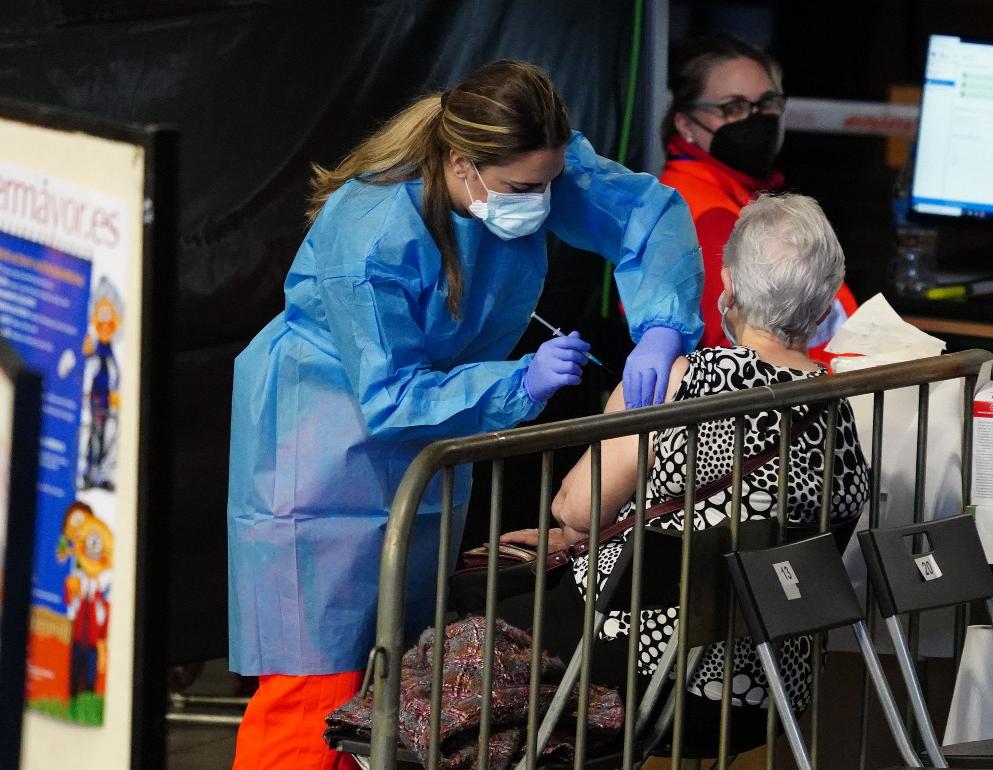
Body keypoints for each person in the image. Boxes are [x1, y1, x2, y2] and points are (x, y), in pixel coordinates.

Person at [227, 60, 703, 769]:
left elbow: (643, 213)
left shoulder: (529, 168)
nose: (540, 203)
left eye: (549, 183)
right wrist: (519, 383)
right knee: (316, 680)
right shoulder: (370, 235)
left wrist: (663, 324)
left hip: (435, 438)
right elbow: (388, 397)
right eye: (523, 190)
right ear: (461, 163)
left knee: (402, 680)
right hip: (318, 443)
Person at [502, 193, 870, 753]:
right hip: (769, 695)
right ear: (824, 312)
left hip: (641, 678)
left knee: (469, 630)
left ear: (726, 287)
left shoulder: (679, 384)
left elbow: (574, 508)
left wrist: (580, 531)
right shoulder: (841, 409)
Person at [660, 33, 858, 350]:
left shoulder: (735, 195)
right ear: (685, 124)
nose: (754, 118)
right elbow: (743, 352)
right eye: (733, 107)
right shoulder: (707, 216)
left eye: (766, 103)